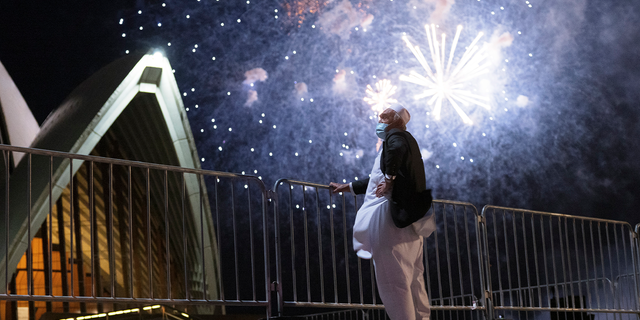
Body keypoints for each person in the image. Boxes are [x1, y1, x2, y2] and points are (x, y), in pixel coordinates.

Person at [329, 104, 434, 320]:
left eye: (384, 116)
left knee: (394, 283)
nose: (379, 119)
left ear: (396, 120)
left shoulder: (394, 137)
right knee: (414, 281)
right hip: (409, 222)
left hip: (390, 220)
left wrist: (389, 180)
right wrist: (348, 187)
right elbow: (375, 178)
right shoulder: (407, 140)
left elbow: (389, 165)